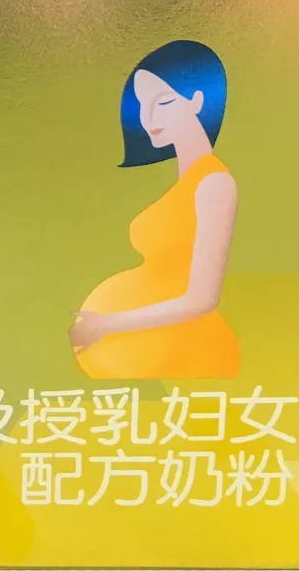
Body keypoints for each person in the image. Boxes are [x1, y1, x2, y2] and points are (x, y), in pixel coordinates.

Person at [70, 40, 240, 379]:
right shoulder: (188, 182)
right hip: (163, 358)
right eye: (141, 106)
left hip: (191, 355)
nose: (148, 119)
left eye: (162, 102)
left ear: (197, 100)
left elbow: (202, 298)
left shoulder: (214, 184)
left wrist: (107, 324)